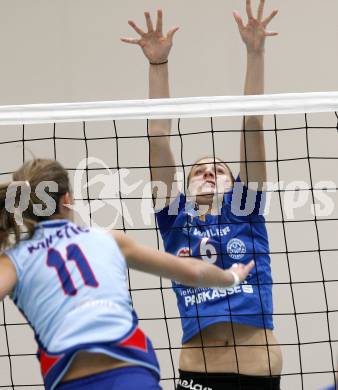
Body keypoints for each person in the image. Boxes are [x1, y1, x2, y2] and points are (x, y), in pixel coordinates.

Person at [122, 1, 282, 389]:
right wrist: (157, 66)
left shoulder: (245, 209)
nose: (209, 172)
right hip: (199, 372)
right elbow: (158, 136)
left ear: (234, 184)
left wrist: (255, 52)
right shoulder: (174, 219)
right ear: (186, 185)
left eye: (219, 169)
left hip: (258, 369)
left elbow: (253, 123)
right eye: (198, 170)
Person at [0, 158, 254, 390]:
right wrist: (230, 277)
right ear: (67, 199)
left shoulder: (13, 261)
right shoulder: (107, 238)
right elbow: (192, 271)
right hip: (131, 372)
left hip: (70, 379)